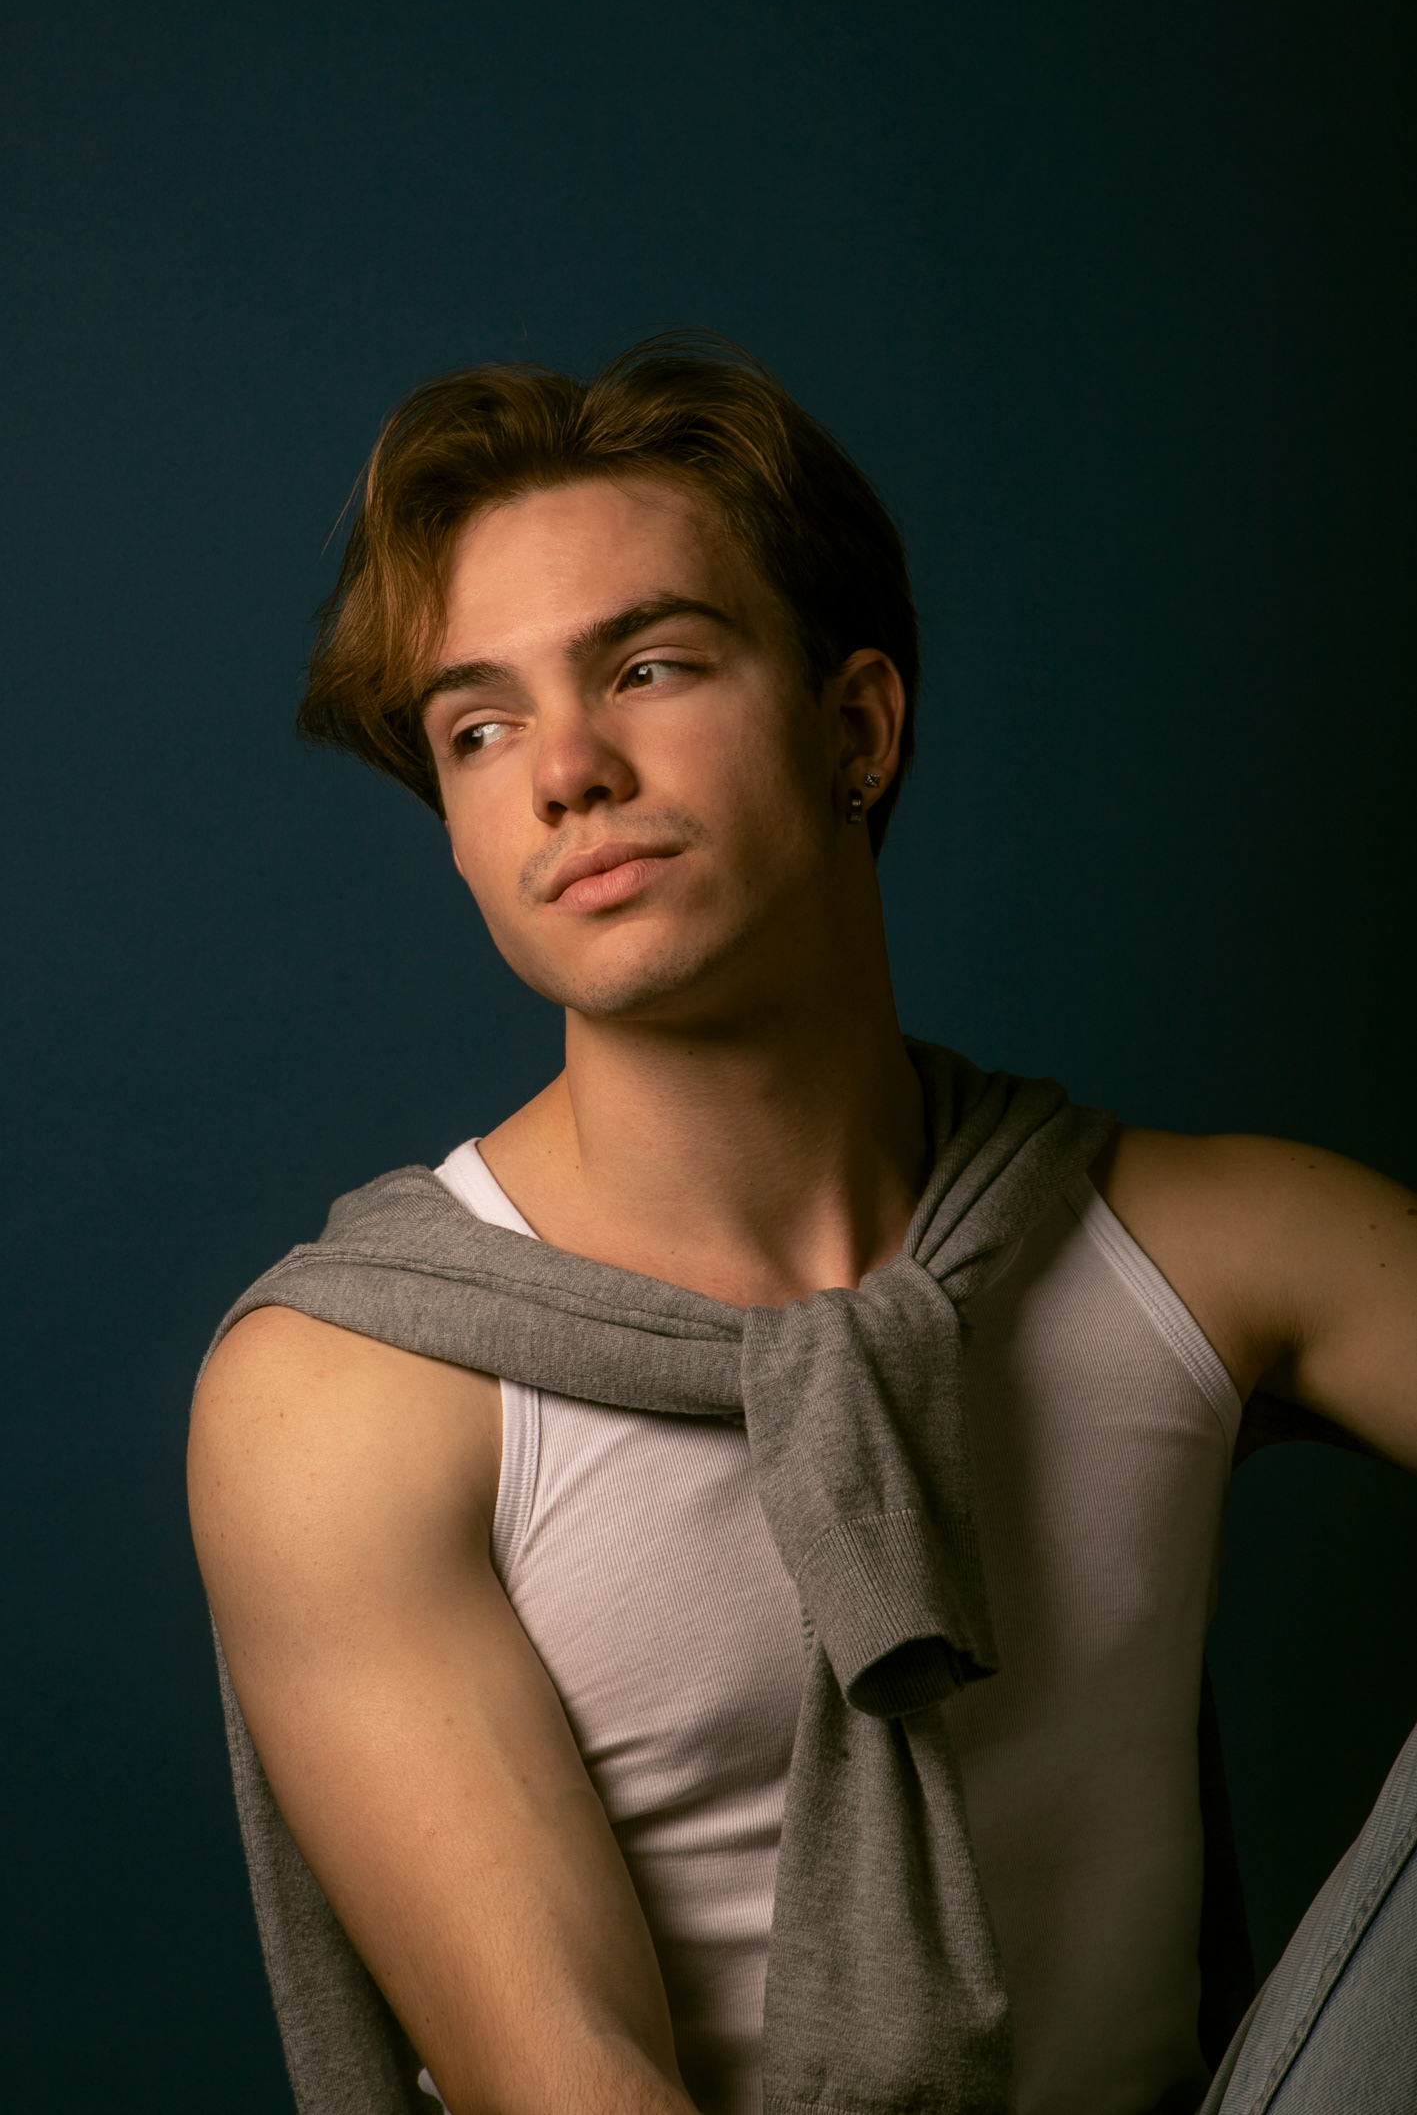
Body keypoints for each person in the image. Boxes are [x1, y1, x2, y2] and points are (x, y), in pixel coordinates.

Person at [187, 340, 1417, 2115]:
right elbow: (571, 2080)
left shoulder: (1198, 1242)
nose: (565, 771)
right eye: (481, 727)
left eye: (649, 666)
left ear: (857, 727)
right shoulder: (349, 1393)